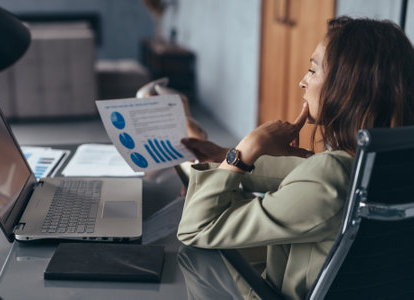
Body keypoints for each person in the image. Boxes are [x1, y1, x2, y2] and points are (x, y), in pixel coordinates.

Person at [177, 16, 414, 300]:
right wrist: (225, 156)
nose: (303, 81)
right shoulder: (388, 158)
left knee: (188, 249)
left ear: (348, 85)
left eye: (313, 70)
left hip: (270, 293)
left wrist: (247, 149)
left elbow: (195, 228)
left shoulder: (328, 176)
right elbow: (311, 172)